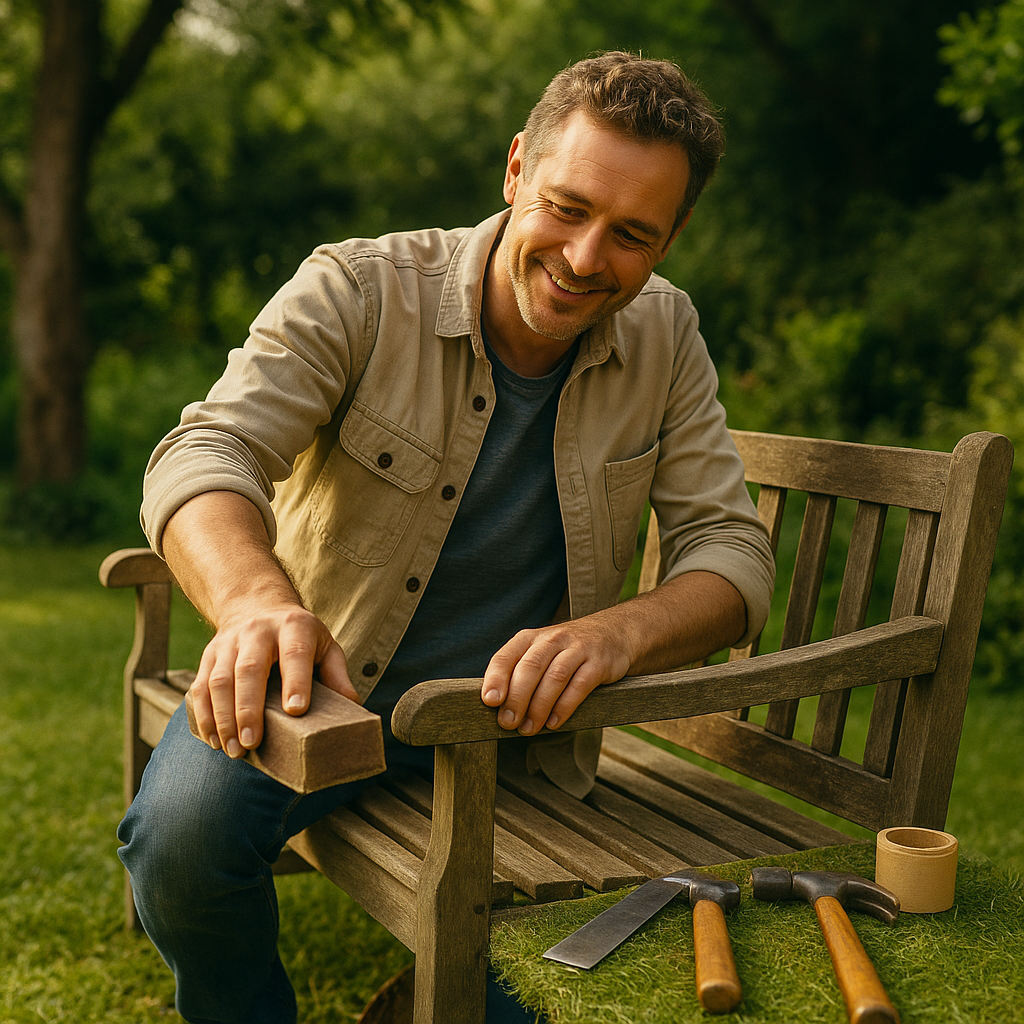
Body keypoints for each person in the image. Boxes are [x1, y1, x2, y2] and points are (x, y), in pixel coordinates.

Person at [119, 51, 775, 1024]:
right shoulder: (356, 286)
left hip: (510, 741)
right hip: (315, 695)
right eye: (565, 206)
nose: (587, 257)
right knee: (178, 843)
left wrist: (614, 636)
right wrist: (257, 605)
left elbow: (731, 552)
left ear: (673, 236)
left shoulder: (667, 337)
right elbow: (207, 451)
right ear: (516, 169)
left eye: (632, 234)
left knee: (528, 1001)